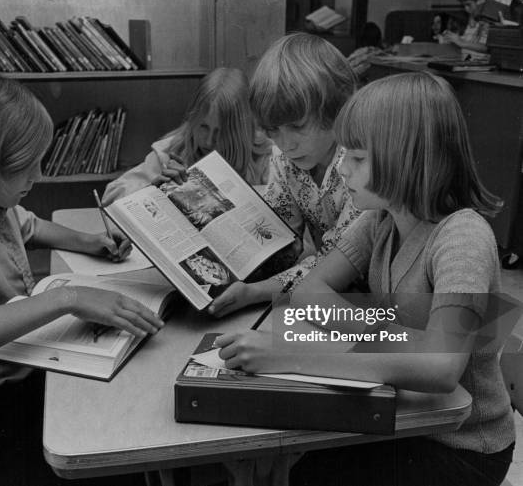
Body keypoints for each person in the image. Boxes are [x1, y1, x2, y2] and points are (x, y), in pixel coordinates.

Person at [215, 72, 515, 486]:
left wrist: (287, 355)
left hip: (461, 446)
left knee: (306, 472)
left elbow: (441, 369)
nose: (340, 169)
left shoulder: (464, 236)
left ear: (406, 159)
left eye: (356, 158)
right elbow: (307, 293)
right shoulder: (379, 222)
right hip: (404, 413)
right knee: (291, 459)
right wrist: (397, 337)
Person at [0, 75, 163, 485]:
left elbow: (31, 227)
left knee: (117, 396)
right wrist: (65, 298)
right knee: (106, 443)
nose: (40, 175)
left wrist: (90, 241)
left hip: (21, 368)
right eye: (28, 166)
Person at [208, 33, 360, 318]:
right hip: (319, 298)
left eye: (297, 126)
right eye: (272, 130)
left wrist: (256, 291)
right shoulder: (285, 156)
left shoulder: (360, 163)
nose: (285, 144)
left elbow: (335, 265)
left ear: (336, 110)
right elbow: (281, 241)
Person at [102, 67, 272, 204]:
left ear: (240, 132)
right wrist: (153, 191)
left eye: (221, 132)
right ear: (193, 120)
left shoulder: (267, 157)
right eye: (203, 127)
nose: (208, 141)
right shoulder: (173, 150)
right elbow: (110, 196)